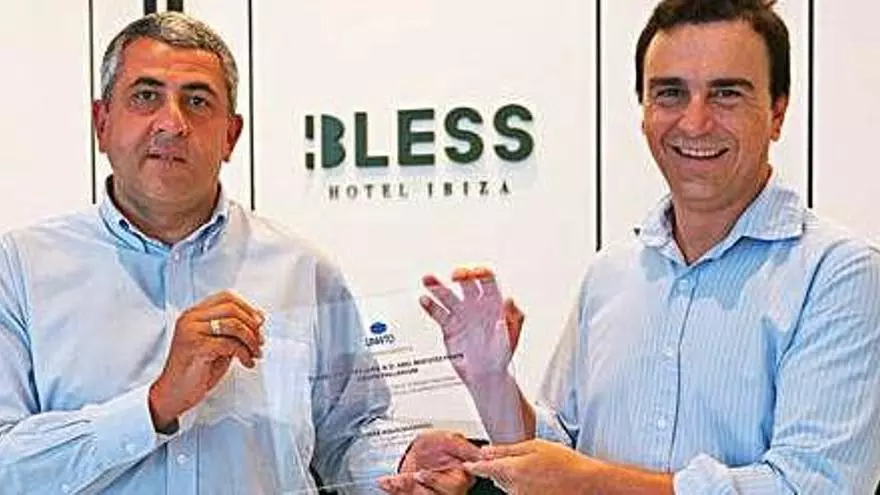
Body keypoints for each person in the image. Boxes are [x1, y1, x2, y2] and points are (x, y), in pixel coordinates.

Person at [384, 0, 880, 493]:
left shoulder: (838, 274)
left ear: (777, 112)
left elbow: (813, 485)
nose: (695, 122)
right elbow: (560, 453)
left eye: (726, 94)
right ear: (643, 111)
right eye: (670, 94)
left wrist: (589, 484)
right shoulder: (612, 272)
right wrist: (492, 382)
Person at [0, 12, 398, 494]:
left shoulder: (302, 269)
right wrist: (155, 404)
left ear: (231, 135)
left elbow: (350, 439)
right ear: (101, 123)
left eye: (197, 101)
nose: (172, 123)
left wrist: (405, 466)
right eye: (145, 96)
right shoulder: (19, 268)